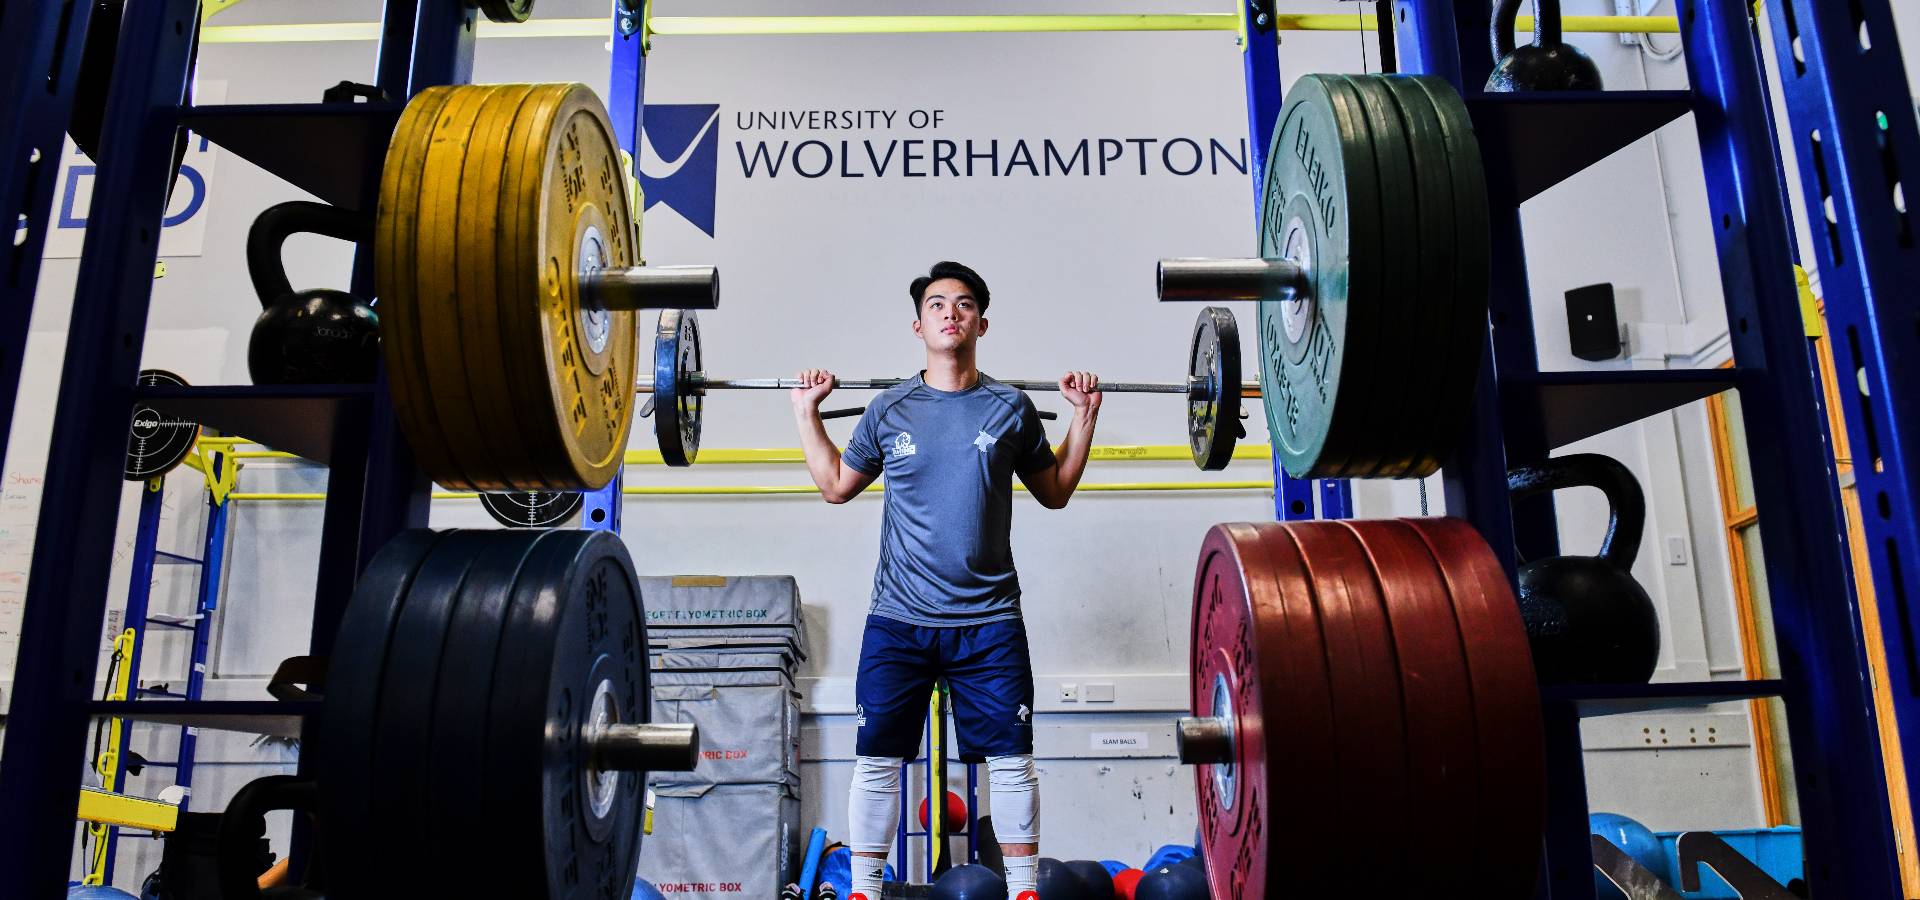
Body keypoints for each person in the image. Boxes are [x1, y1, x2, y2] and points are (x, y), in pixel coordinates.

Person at [792, 261, 1101, 900]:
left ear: (981, 322)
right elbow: (834, 487)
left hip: (989, 622)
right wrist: (806, 412)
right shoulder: (889, 410)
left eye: (963, 304)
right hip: (899, 620)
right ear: (919, 325)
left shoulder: (1012, 408)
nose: (950, 313)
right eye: (937, 305)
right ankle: (866, 891)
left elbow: (1056, 492)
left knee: (1012, 758)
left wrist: (1084, 416)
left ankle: (1022, 890)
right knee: (877, 755)